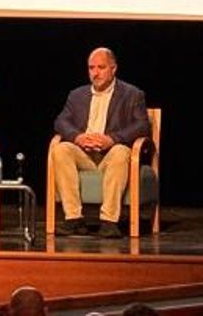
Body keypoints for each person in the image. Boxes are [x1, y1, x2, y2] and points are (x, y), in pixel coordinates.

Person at [51, 47, 151, 238]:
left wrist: (112, 139)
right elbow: (61, 121)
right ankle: (73, 219)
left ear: (113, 69)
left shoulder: (132, 94)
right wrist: (77, 136)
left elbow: (142, 125)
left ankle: (109, 221)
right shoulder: (76, 95)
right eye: (91, 68)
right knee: (61, 149)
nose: (95, 73)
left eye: (101, 67)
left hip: (110, 155)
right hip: (85, 155)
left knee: (122, 151)